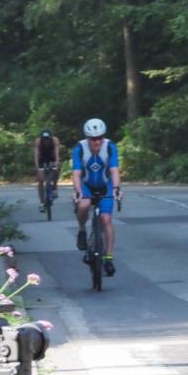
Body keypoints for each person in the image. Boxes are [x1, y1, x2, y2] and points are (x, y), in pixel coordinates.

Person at [72, 118, 121, 276]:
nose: (97, 141)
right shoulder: (80, 148)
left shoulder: (110, 146)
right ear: (87, 138)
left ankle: (108, 257)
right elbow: (77, 173)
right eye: (93, 138)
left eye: (100, 137)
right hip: (86, 184)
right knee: (84, 204)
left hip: (105, 185)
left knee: (106, 219)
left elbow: (114, 170)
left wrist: (116, 188)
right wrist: (79, 191)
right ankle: (81, 230)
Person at [34, 129, 60, 210]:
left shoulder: (55, 140)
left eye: (47, 139)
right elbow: (36, 154)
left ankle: (54, 186)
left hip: (51, 157)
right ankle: (42, 202)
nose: (46, 141)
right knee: (40, 180)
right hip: (42, 158)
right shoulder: (38, 141)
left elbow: (57, 153)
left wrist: (57, 162)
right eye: (44, 139)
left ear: (50, 138)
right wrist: (37, 166)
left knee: (56, 169)